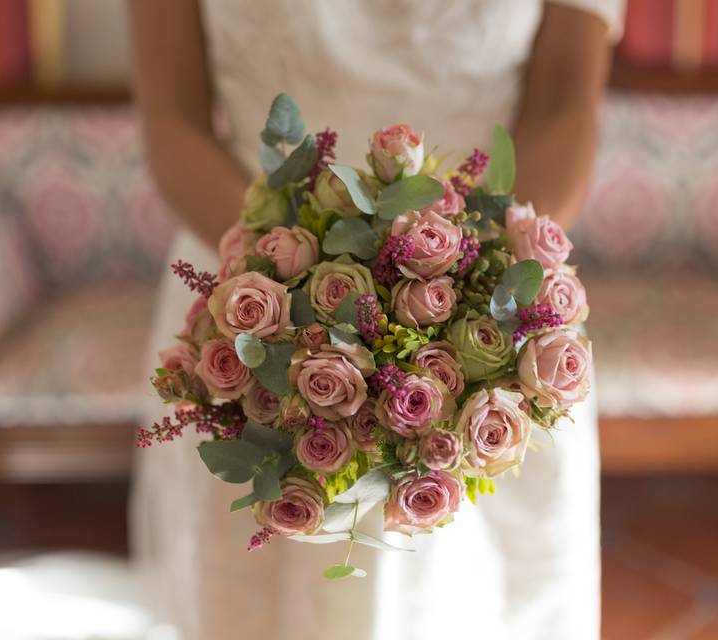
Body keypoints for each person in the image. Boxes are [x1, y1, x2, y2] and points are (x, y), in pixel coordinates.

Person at [130, 1, 623, 638]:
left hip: (487, 306)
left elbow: (564, 109)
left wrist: (472, 282)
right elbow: (174, 124)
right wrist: (287, 285)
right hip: (249, 295)